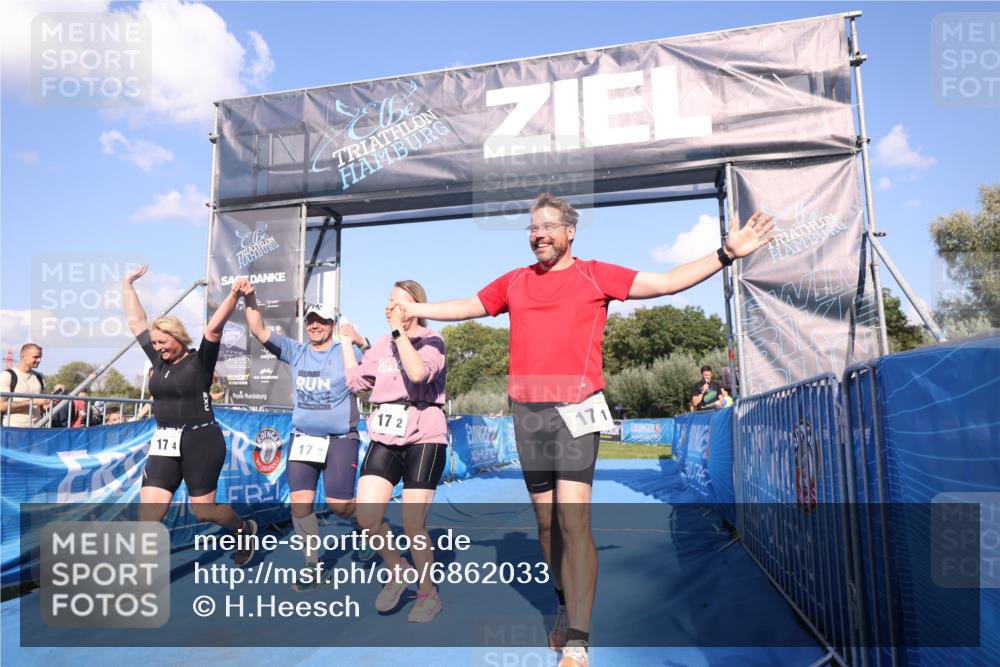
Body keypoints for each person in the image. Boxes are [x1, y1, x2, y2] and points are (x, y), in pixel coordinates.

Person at [391, 192, 773, 666]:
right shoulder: (514, 282)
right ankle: (564, 599)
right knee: (547, 525)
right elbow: (468, 304)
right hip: (528, 414)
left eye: (547, 226)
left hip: (576, 409)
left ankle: (578, 638)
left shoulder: (595, 274)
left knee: (574, 520)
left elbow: (668, 281)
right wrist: (411, 314)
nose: (537, 235)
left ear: (570, 231)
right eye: (531, 228)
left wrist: (726, 253)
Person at [122, 265, 258, 567]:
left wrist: (235, 295)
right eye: (154, 344)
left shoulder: (199, 362)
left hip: (202, 442)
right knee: (150, 513)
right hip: (166, 442)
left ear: (179, 338)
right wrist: (127, 284)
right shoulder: (159, 360)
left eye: (163, 343)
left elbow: (213, 330)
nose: (158, 349)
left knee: (204, 511)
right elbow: (135, 321)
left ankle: (243, 530)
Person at [239, 285, 374, 589]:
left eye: (321, 321)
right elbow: (258, 328)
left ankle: (364, 527)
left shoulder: (346, 351)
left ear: (332, 326)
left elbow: (376, 372)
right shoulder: (296, 351)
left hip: (340, 438)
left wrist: (362, 342)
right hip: (303, 439)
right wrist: (249, 297)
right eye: (311, 320)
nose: (314, 325)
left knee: (340, 505)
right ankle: (312, 563)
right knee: (301, 504)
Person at [341, 280, 448, 623]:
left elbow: (417, 373)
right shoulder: (382, 345)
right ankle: (398, 569)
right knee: (367, 518)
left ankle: (428, 593)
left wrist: (398, 334)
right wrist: (346, 343)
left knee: (412, 523)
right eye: (387, 302)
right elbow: (357, 382)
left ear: (415, 307)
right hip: (385, 436)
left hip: (424, 436)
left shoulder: (432, 340)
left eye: (397, 303)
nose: (389, 307)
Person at [1, 343, 48, 427]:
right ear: (23, 357)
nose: (39, 360)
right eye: (35, 357)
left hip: (36, 429)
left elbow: (43, 404)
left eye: (40, 357)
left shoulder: (40, 377)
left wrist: (49, 403)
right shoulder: (7, 375)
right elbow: (1, 406)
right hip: (12, 429)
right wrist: (31, 401)